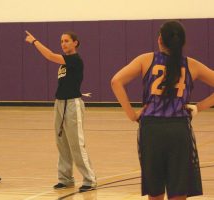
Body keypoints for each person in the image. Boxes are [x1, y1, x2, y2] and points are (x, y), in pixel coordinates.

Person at [111, 20, 214, 200]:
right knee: (178, 192)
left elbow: (116, 81)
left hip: (151, 129)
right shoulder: (192, 65)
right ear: (182, 42)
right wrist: (198, 107)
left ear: (160, 39)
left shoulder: (146, 59)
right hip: (179, 129)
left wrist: (132, 114)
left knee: (155, 191)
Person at [25, 31, 97, 192]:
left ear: (75, 43)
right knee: (62, 143)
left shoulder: (75, 60)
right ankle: (65, 179)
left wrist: (34, 41)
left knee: (76, 144)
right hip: (59, 104)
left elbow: (50, 55)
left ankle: (90, 180)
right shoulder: (64, 63)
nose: (63, 44)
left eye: (66, 41)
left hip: (72, 105)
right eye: (61, 41)